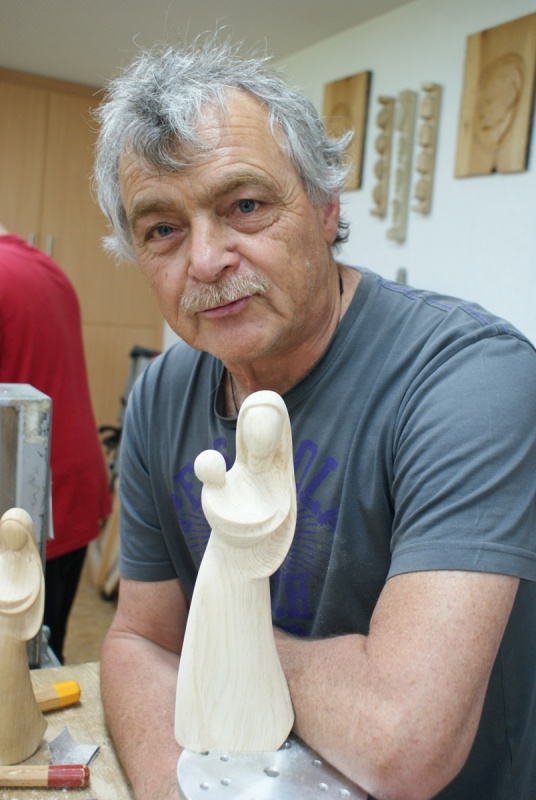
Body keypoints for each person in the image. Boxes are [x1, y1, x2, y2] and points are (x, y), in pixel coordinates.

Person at [94, 37, 536, 800]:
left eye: (245, 206)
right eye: (162, 229)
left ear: (328, 209)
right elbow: (140, 640)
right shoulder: (164, 392)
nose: (205, 260)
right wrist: (175, 789)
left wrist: (220, 638)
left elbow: (401, 740)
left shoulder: (469, 379)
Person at [0, 226, 112, 663]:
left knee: (16, 669)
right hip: (66, 489)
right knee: (42, 659)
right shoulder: (46, 268)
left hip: (25, 503)